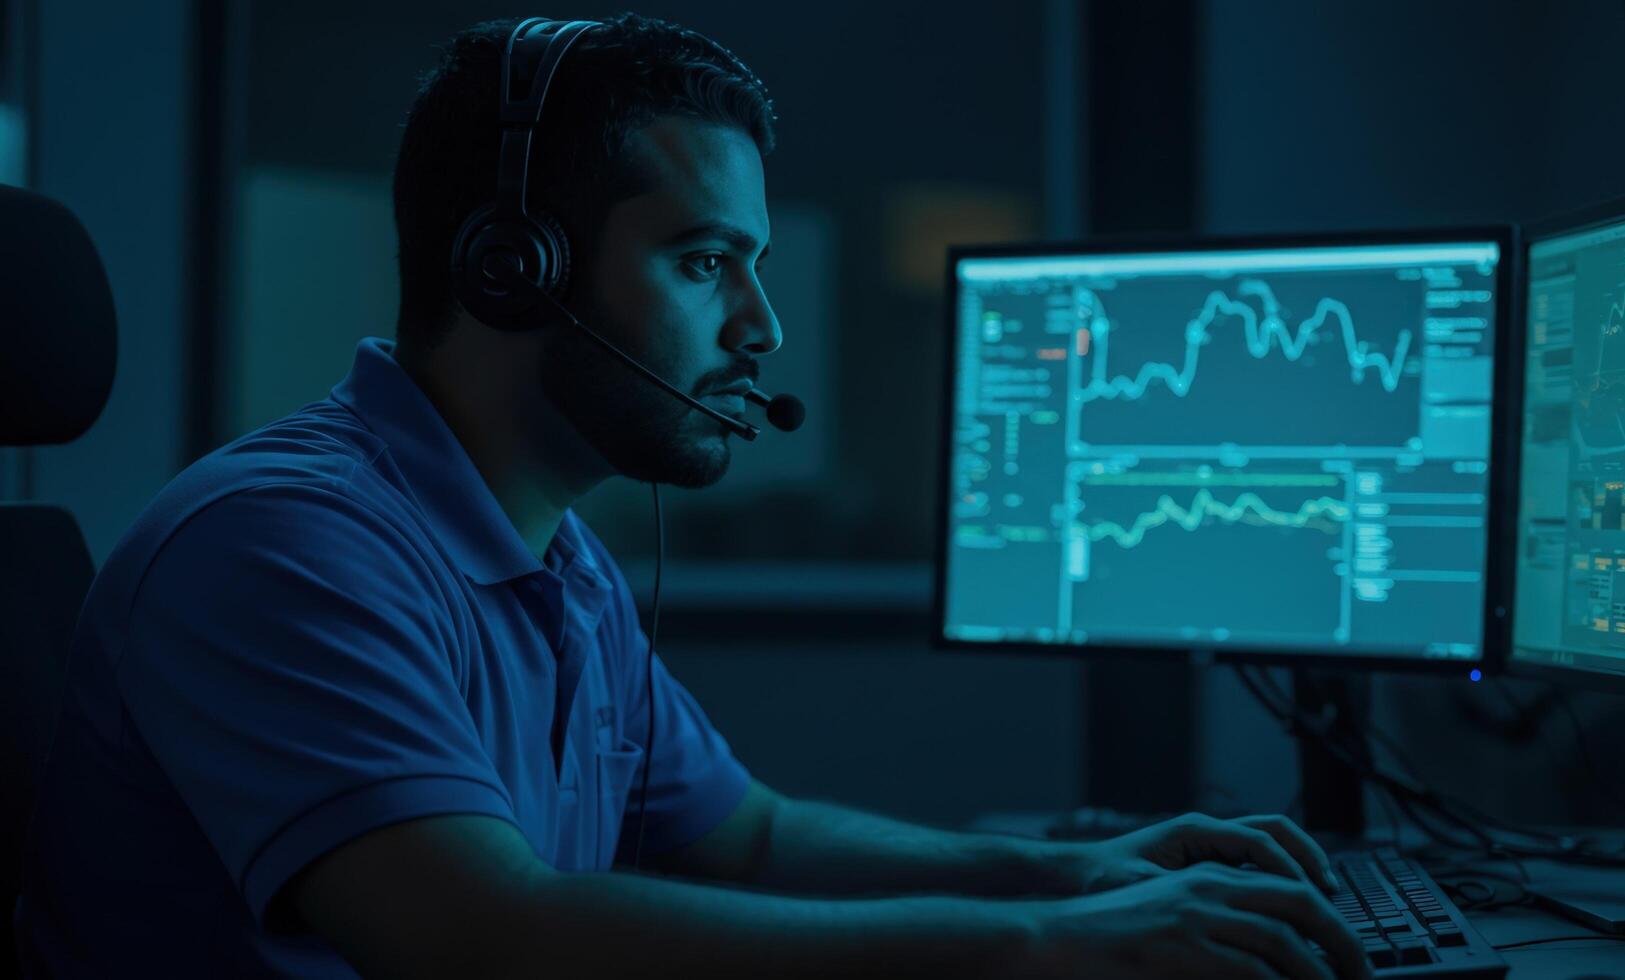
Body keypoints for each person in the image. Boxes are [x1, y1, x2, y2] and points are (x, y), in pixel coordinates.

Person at [16, 15, 1371, 979]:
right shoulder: (283, 548)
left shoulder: (561, 563)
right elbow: (484, 940)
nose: (762, 325)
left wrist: (1071, 874)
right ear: (514, 268)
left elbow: (747, 837)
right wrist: (1038, 949)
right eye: (704, 262)